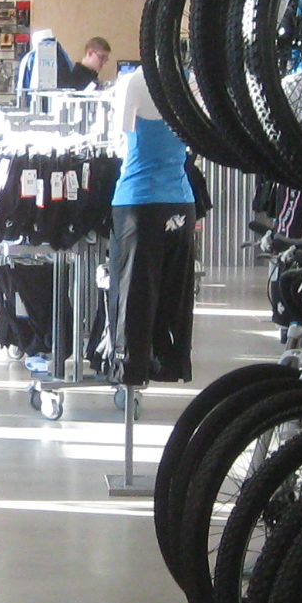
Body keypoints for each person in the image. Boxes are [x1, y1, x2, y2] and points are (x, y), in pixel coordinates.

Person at [103, 61, 196, 387]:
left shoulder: (132, 82)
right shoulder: (189, 83)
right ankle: (168, 364)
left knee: (133, 295)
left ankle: (130, 372)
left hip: (139, 203)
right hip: (181, 202)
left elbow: (122, 135)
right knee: (176, 294)